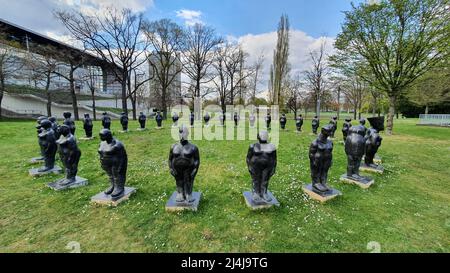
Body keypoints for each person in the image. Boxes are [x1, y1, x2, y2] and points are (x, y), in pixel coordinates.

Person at [168, 125, 200, 203]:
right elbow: (170, 159)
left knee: (188, 181)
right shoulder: (173, 146)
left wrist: (195, 170)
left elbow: (197, 160)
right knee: (179, 181)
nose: (182, 135)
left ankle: (188, 194)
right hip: (177, 169)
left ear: (188, 134)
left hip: (188, 169)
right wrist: (171, 168)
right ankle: (180, 194)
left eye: (184, 132)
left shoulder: (193, 148)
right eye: (180, 132)